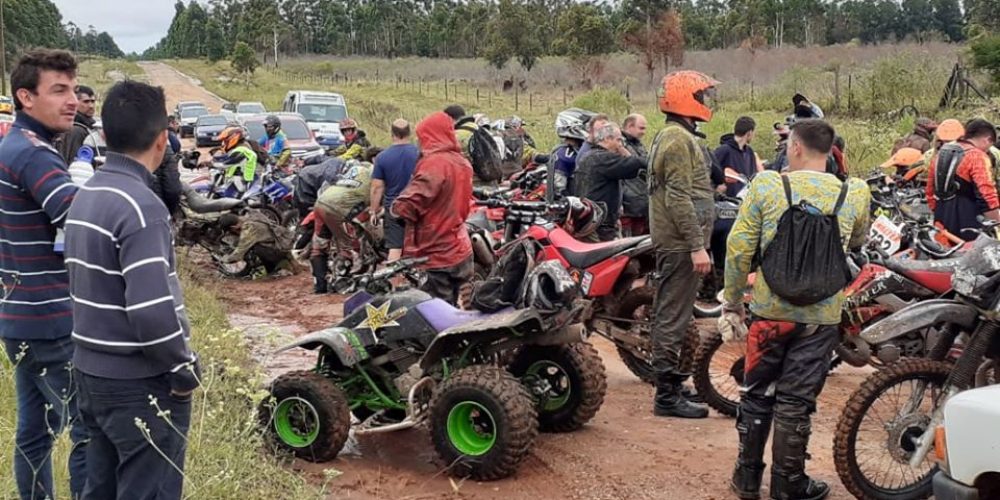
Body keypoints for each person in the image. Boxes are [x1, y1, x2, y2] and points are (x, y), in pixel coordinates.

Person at [64, 80, 199, 500]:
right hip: (138, 381)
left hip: (90, 372)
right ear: (162, 141)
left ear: (106, 132)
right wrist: (183, 371)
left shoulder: (87, 195)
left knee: (99, 487)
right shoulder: (142, 207)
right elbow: (151, 312)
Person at [722, 119, 870, 500]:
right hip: (821, 318)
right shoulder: (854, 192)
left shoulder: (768, 186)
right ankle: (789, 484)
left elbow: (739, 250)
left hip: (770, 313)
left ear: (796, 147)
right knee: (796, 401)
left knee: (756, 393)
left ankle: (748, 478)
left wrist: (733, 303)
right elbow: (857, 240)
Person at [0, 48, 87, 500]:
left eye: (73, 89)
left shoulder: (10, 147)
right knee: (90, 432)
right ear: (26, 97)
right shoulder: (36, 156)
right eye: (59, 90)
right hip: (52, 320)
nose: (72, 99)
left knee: (35, 433)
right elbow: (81, 222)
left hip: (18, 318)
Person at [647, 70, 718, 419]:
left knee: (675, 314)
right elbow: (678, 197)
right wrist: (695, 244)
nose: (706, 103)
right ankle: (665, 396)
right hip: (678, 244)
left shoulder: (677, 135)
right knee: (672, 318)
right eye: (701, 96)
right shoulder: (677, 140)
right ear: (686, 99)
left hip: (678, 241)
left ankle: (672, 384)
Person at [392, 111, 474, 305]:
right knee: (458, 311)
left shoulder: (434, 164)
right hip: (459, 246)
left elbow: (411, 203)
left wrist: (395, 209)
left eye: (422, 138)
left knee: (434, 314)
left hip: (434, 252)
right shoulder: (462, 162)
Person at [926, 118, 1000, 241]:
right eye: (989, 145)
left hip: (941, 217)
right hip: (968, 221)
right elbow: (986, 195)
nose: (988, 149)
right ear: (987, 139)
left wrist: (938, 213)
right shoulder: (976, 156)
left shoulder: (941, 153)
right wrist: (997, 222)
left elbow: (930, 190)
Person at [574, 123, 645, 242]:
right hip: (600, 224)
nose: (620, 144)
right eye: (618, 140)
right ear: (607, 139)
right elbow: (634, 164)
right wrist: (654, 161)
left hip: (590, 219)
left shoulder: (589, 155)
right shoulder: (603, 158)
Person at [312, 160, 374, 284]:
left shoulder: (352, 172)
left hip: (321, 201)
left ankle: (320, 285)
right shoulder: (374, 175)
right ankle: (345, 279)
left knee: (319, 246)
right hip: (337, 208)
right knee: (348, 245)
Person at [371, 119, 419, 262]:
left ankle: (395, 283)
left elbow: (377, 187)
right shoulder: (419, 154)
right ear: (409, 133)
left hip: (394, 208)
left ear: (392, 134)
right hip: (417, 205)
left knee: (395, 248)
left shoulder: (382, 157)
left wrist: (373, 210)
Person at [218, 211, 295, 275]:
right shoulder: (252, 214)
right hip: (285, 239)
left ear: (233, 227)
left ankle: (276, 269)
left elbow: (240, 252)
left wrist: (224, 260)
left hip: (280, 248)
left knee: (256, 248)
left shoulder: (249, 229)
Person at [552, 108, 595, 196]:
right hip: (574, 203)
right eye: (586, 126)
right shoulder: (565, 154)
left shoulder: (582, 149)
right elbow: (558, 188)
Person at [714, 116, 758, 198]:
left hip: (746, 201)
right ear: (749, 133)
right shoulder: (723, 150)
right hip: (728, 202)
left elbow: (753, 176)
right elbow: (709, 170)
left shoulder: (749, 152)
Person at [621, 114, 650, 236]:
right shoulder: (620, 145)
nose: (644, 132)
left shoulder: (638, 144)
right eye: (641, 128)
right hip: (629, 206)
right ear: (629, 126)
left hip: (642, 203)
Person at [56, 84, 97, 163]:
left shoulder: (89, 125)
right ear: (76, 102)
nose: (91, 106)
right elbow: (72, 159)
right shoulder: (76, 129)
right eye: (86, 102)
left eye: (93, 101)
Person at [215, 126, 258, 194]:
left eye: (226, 140)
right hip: (244, 178)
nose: (224, 143)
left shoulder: (242, 148)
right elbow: (227, 157)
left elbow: (230, 161)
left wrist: (213, 164)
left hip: (247, 180)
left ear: (233, 138)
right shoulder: (238, 147)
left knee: (248, 201)